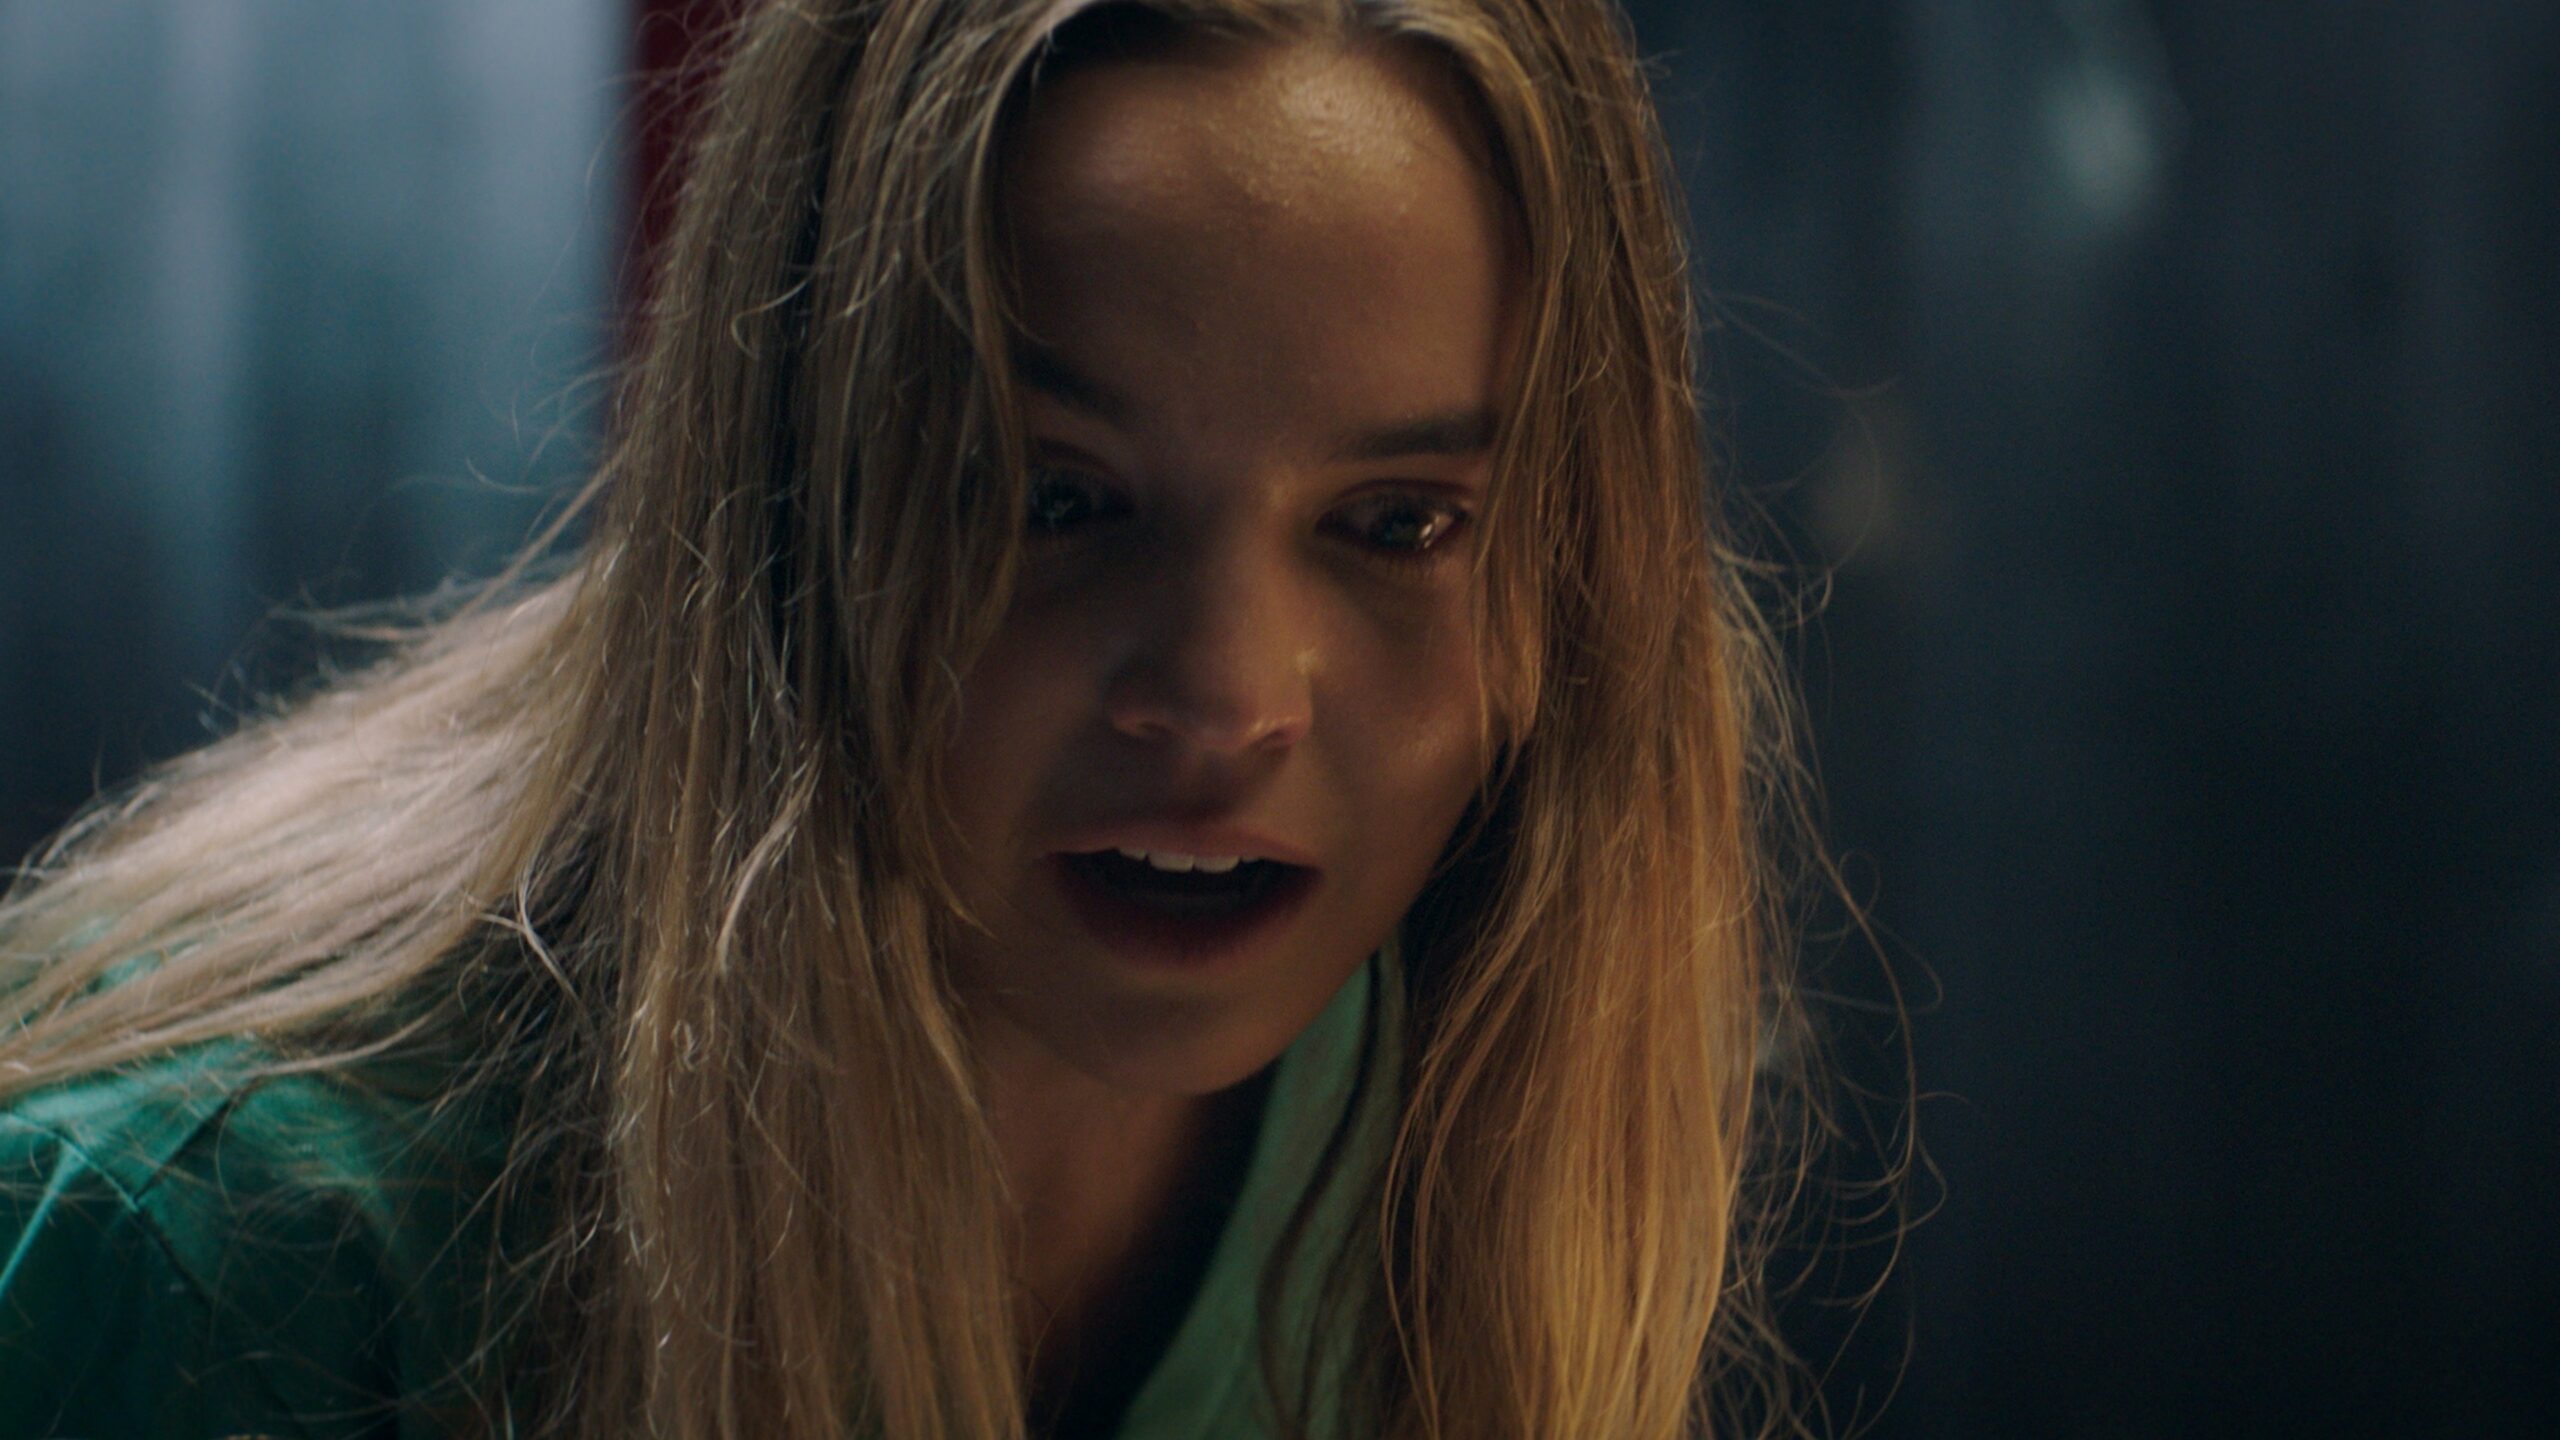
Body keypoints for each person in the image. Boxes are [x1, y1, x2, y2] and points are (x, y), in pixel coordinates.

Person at [0, 0, 1821, 1435]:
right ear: (786, 502)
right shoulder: (196, 1262)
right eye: (1052, 496)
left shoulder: (1460, 1109)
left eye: (1400, 525)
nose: (1227, 697)